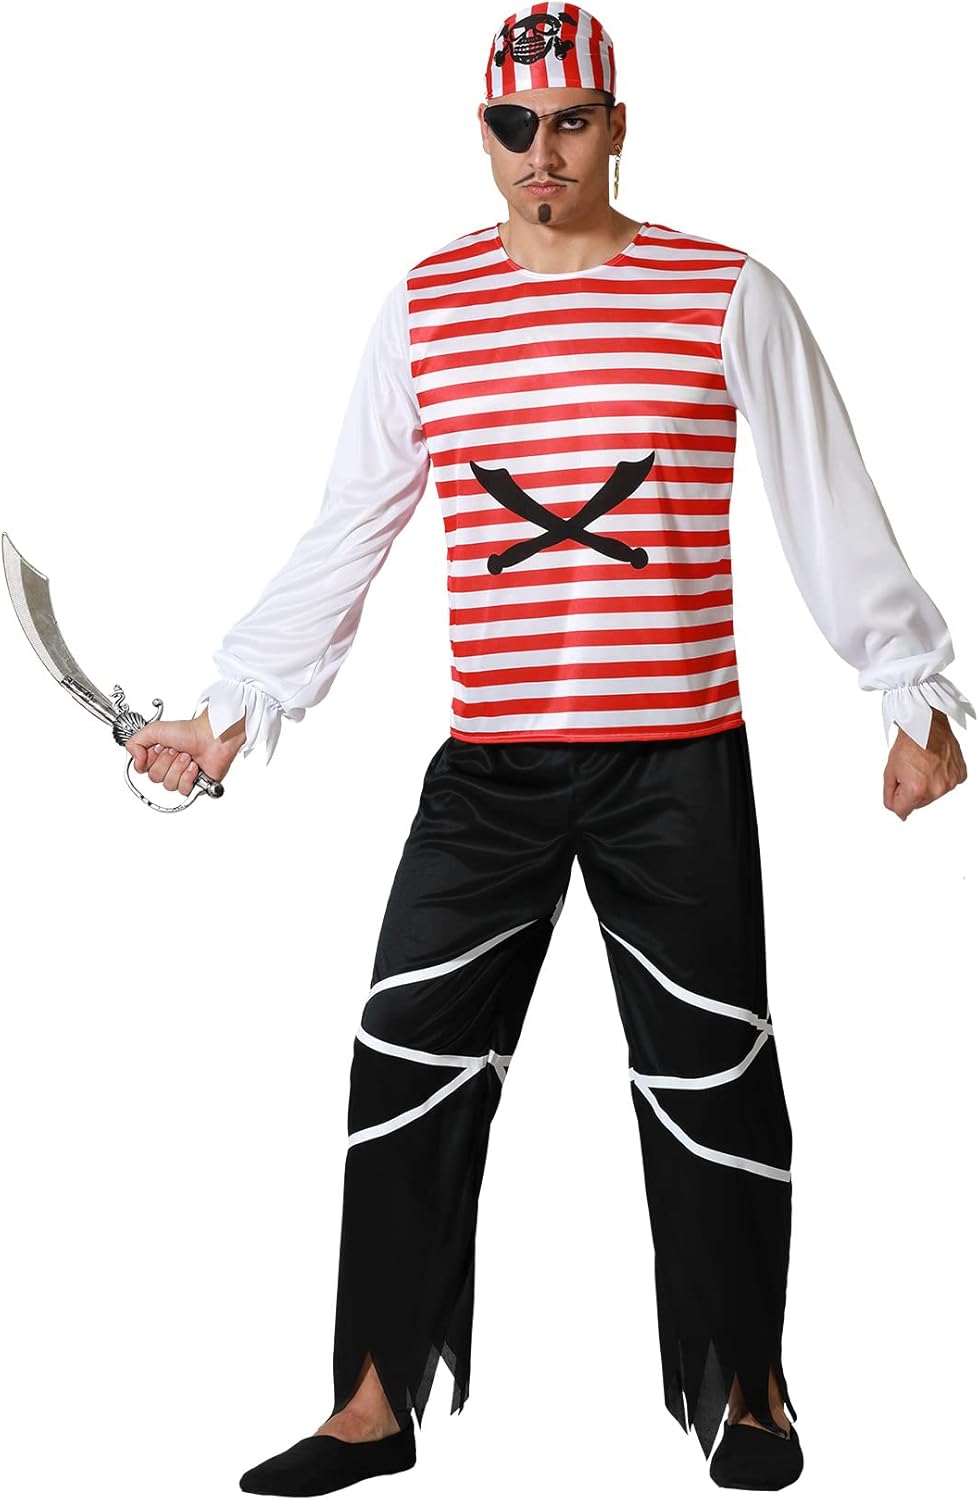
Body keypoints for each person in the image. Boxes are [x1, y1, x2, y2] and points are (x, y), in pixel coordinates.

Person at [126, 6, 973, 1493]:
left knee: (712, 1071)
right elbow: (352, 525)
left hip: (675, 760)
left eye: (570, 121)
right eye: (514, 127)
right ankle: (371, 1404)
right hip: (495, 767)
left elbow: (825, 491)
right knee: (406, 1055)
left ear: (617, 123)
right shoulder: (429, 305)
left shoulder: (723, 291)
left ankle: (750, 1390)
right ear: (484, 133)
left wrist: (910, 692)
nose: (542, 154)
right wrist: (234, 706)